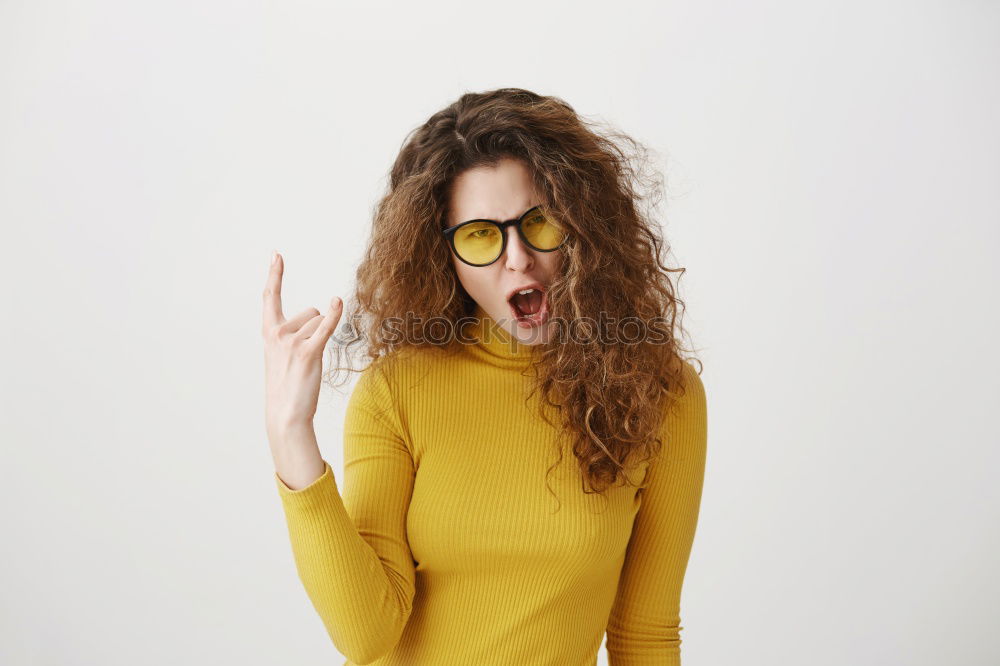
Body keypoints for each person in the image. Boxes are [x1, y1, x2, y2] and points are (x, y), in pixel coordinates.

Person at [261, 87, 708, 666]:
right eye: (480, 236)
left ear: (581, 223)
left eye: (539, 222)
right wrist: (290, 432)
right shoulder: (396, 391)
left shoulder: (658, 393)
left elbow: (645, 636)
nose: (517, 258)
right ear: (440, 253)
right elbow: (366, 635)